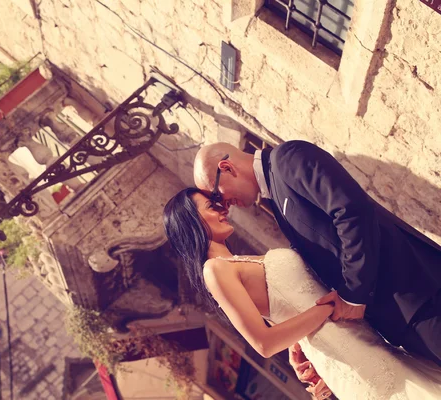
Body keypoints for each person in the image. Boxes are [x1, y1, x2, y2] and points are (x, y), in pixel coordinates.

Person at [163, 188, 441, 399]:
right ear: (192, 222)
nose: (223, 209)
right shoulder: (214, 269)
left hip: (367, 340)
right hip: (356, 359)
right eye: (211, 207)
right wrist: (329, 306)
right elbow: (263, 343)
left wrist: (300, 352)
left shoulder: (242, 261)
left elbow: (285, 310)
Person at [192, 140, 441, 364]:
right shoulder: (275, 200)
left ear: (226, 167)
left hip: (417, 291)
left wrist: (354, 293)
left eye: (216, 196)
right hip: (400, 319)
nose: (224, 206)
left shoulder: (288, 158)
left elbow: (352, 212)